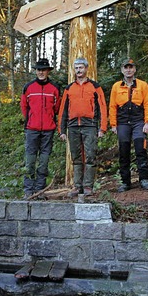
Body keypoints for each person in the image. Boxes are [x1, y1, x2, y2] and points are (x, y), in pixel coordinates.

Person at [58, 57, 108, 197]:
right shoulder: (69, 88)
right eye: (77, 68)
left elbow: (103, 107)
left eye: (81, 67)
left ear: (86, 69)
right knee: (76, 157)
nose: (79, 70)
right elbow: (63, 110)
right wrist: (62, 130)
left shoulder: (95, 86)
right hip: (73, 126)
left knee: (90, 155)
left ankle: (88, 186)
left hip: (90, 125)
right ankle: (77, 186)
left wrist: (102, 127)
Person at [109, 58, 148, 192]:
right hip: (122, 122)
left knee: (141, 149)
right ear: (122, 70)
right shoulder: (116, 86)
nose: (128, 70)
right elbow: (112, 106)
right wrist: (113, 124)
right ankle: (125, 182)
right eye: (126, 67)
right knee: (124, 151)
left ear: (134, 69)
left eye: (131, 67)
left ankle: (144, 179)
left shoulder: (142, 85)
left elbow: (147, 104)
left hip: (138, 121)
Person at [20, 58, 61, 199]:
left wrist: (49, 118)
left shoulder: (54, 88)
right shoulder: (28, 87)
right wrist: (31, 118)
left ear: (48, 71)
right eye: (39, 70)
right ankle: (28, 190)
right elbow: (24, 107)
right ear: (36, 71)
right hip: (32, 128)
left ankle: (40, 190)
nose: (41, 72)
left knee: (44, 161)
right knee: (30, 161)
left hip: (48, 129)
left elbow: (57, 108)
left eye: (43, 70)